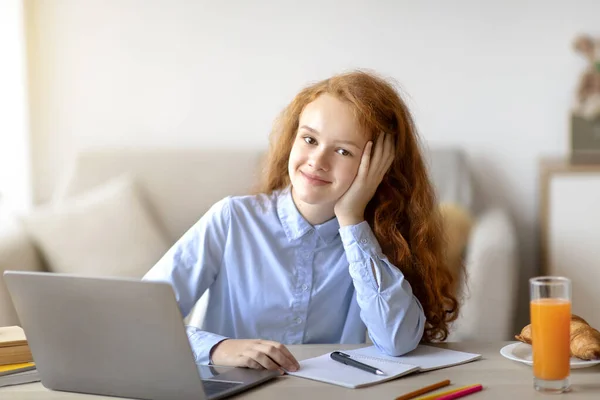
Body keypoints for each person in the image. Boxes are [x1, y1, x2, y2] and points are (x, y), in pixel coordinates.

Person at [143, 70, 459, 373]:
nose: (317, 161)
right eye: (309, 140)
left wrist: (351, 220)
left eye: (343, 151)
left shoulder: (377, 239)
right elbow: (141, 318)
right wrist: (217, 348)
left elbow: (398, 341)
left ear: (378, 168)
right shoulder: (232, 220)